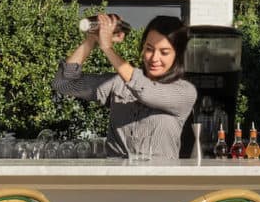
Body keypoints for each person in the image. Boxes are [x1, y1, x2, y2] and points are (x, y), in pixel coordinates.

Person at [53, 14, 196, 159]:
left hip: (158, 179)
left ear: (177, 55)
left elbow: (145, 91)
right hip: (117, 179)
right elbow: (63, 84)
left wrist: (107, 48)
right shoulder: (117, 83)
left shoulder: (185, 92)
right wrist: (91, 40)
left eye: (164, 52)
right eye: (149, 49)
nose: (154, 58)